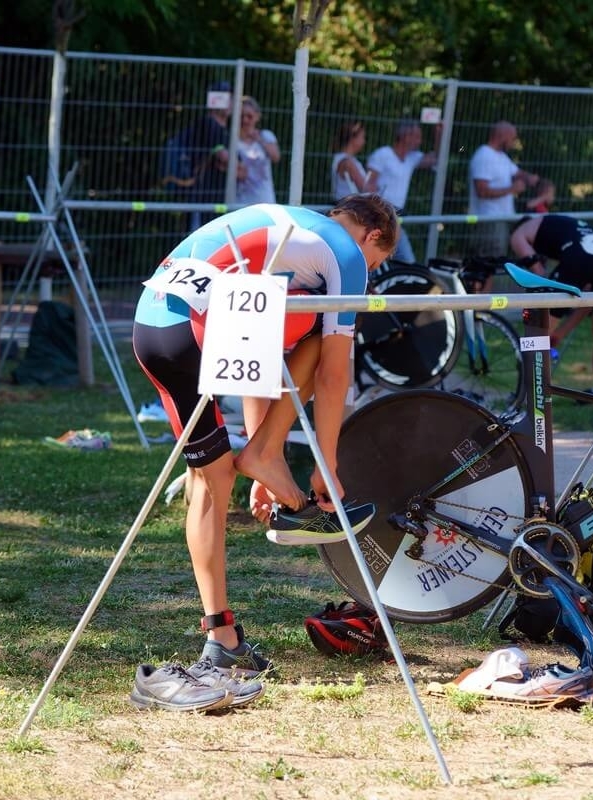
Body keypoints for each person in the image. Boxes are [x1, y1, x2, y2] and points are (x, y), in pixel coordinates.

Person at [131, 194, 399, 708]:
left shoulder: (290, 236)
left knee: (211, 482)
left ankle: (221, 636)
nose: (370, 273)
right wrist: (328, 464)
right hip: (196, 329)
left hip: (153, 332)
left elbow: (251, 346)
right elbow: (333, 372)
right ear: (371, 236)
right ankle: (268, 458)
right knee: (327, 329)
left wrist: (260, 455)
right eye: (377, 263)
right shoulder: (345, 252)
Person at [509, 214, 593, 427]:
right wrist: (561, 332)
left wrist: (538, 273)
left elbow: (538, 274)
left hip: (579, 257)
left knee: (540, 333)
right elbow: (586, 299)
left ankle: (528, 403)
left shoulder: (523, 229)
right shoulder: (568, 225)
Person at [366, 120, 440, 263]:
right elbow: (368, 183)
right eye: (417, 137)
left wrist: (439, 135)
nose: (420, 141)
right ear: (406, 136)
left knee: (402, 261)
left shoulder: (411, 158)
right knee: (404, 260)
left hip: (394, 218)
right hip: (379, 216)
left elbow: (434, 160)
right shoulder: (383, 154)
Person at [469, 120, 539, 256]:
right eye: (512, 138)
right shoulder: (484, 156)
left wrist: (530, 178)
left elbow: (516, 172)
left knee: (494, 260)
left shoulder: (501, 157)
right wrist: (512, 189)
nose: (514, 142)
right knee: (488, 262)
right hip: (489, 219)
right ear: (503, 136)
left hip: (501, 218)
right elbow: (481, 191)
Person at [171, 80, 234, 231]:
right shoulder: (208, 124)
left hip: (215, 196)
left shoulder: (223, 129)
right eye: (227, 98)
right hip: (201, 194)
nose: (231, 103)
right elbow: (224, 157)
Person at [235, 96, 280, 205]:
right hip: (240, 201)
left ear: (257, 116)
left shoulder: (266, 135)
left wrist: (259, 139)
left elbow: (276, 157)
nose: (245, 120)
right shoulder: (233, 140)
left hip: (265, 200)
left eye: (249, 116)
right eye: (241, 116)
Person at [330, 121, 376, 201]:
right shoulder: (347, 162)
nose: (364, 141)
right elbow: (365, 188)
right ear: (352, 138)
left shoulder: (344, 159)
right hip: (348, 207)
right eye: (362, 137)